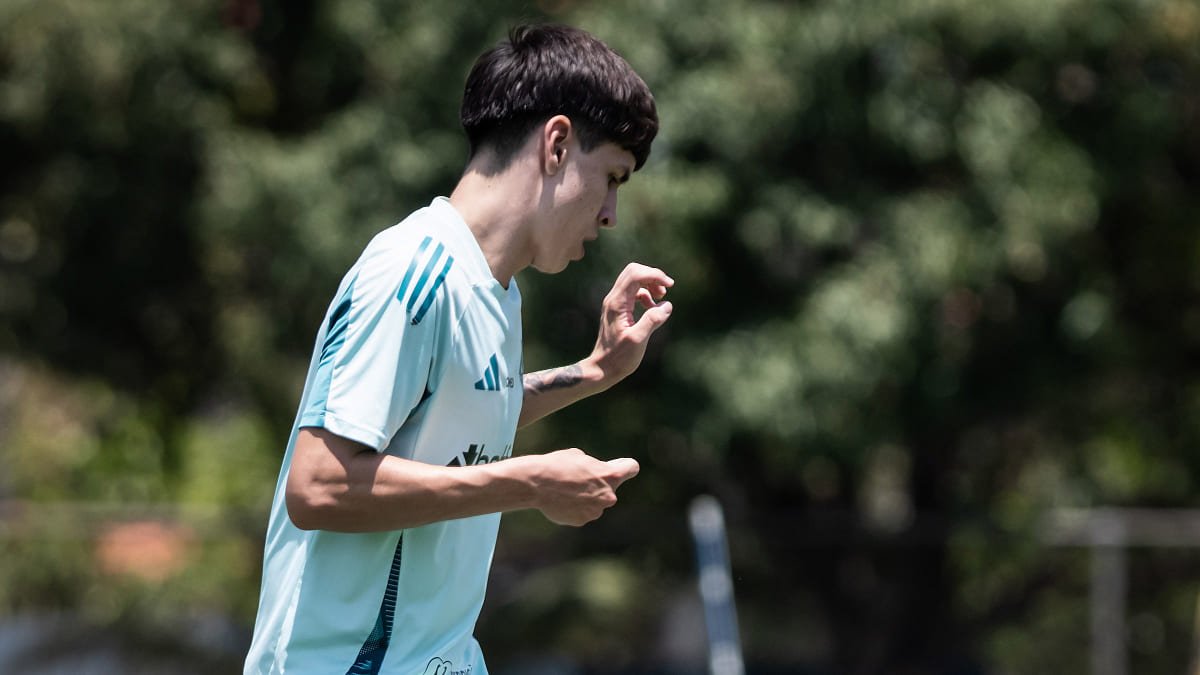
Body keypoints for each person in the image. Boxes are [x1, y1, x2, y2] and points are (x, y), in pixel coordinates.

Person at [244, 23, 673, 675]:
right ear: (557, 144)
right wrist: (530, 482)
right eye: (611, 177)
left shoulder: (497, 292)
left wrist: (593, 371)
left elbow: (459, 416)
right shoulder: (412, 274)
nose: (611, 213)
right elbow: (319, 483)